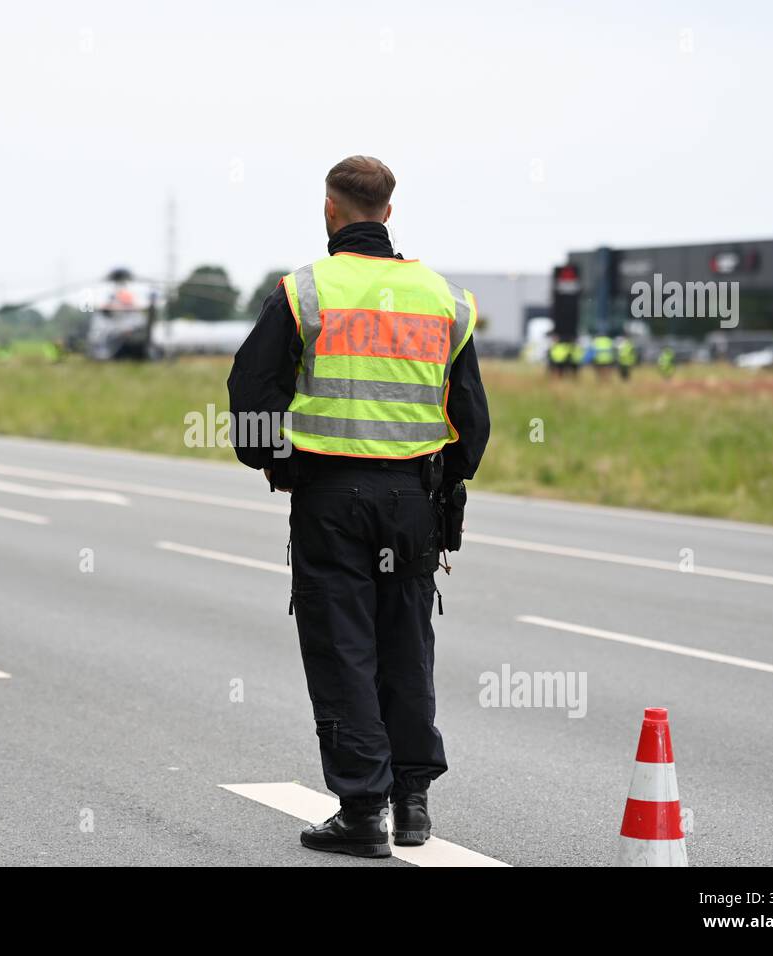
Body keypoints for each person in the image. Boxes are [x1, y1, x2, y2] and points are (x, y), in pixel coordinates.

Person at [227, 156, 491, 858]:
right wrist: (446, 481)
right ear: (389, 212)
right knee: (407, 645)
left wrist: (279, 463)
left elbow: (250, 395)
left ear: (329, 209)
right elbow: (472, 417)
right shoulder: (443, 299)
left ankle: (363, 811)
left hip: (331, 499)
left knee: (344, 647)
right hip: (413, 501)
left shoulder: (304, 291)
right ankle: (413, 803)